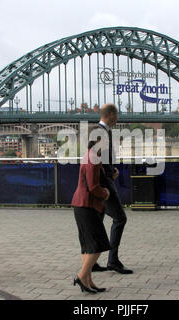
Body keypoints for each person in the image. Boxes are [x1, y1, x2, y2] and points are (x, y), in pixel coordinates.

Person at [93, 103, 133, 274]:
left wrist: (111, 169)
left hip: (102, 181)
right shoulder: (100, 132)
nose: (118, 118)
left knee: (97, 221)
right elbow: (95, 158)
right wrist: (109, 175)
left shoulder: (101, 131)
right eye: (117, 115)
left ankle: (91, 261)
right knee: (120, 219)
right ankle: (113, 260)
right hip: (104, 184)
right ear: (110, 115)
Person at [71, 139, 111, 294]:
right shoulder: (93, 159)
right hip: (87, 205)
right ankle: (81, 277)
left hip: (80, 205)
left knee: (87, 246)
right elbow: (93, 186)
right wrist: (106, 193)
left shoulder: (88, 155)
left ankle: (88, 281)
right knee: (98, 245)